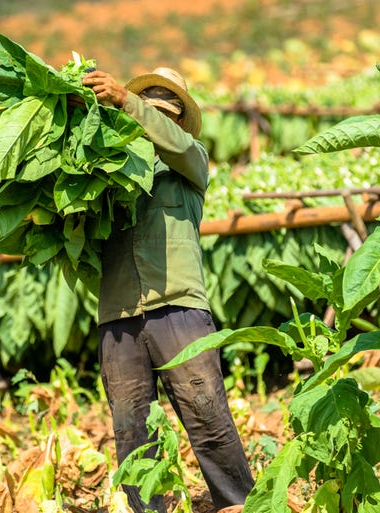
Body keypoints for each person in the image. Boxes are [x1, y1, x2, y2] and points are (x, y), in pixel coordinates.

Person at [82, 67, 255, 513]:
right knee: (132, 432)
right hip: (118, 315)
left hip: (177, 308)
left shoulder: (191, 161)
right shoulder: (112, 174)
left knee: (208, 417)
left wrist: (127, 101)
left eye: (159, 112)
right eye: (146, 108)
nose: (148, 122)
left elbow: (176, 146)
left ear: (174, 120)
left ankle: (239, 504)